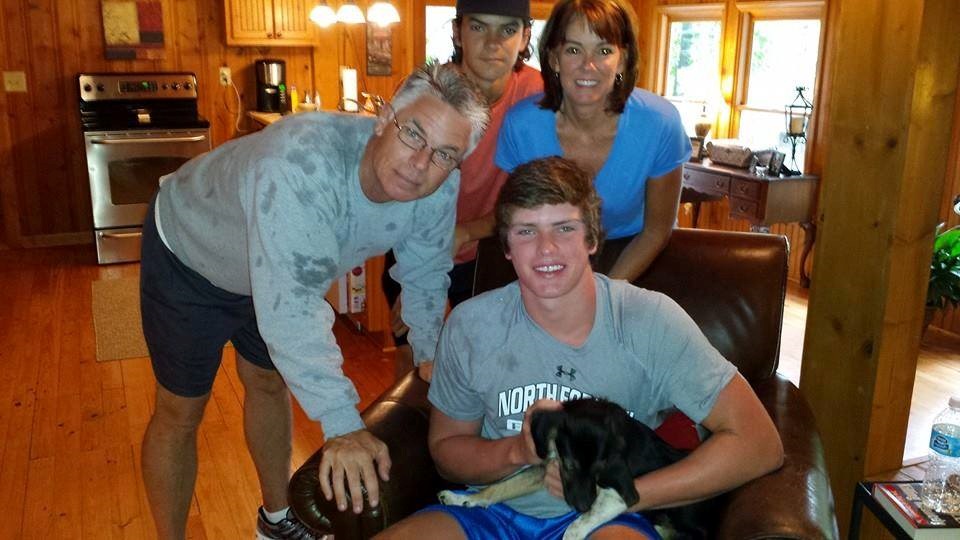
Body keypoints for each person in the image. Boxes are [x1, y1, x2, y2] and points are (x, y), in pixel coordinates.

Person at [139, 62, 488, 540]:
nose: (421, 164)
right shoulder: (302, 162)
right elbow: (294, 309)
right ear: (383, 118)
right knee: (182, 409)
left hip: (277, 269)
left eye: (445, 154)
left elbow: (426, 274)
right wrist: (342, 425)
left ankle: (276, 520)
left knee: (268, 383)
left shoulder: (438, 188)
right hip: (191, 251)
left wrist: (430, 354)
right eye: (413, 134)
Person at [375, 157, 784, 539]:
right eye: (526, 231)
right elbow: (447, 453)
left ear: (592, 238)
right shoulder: (470, 326)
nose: (546, 247)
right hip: (492, 511)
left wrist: (621, 496)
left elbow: (759, 443)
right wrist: (518, 451)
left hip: (613, 520)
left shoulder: (649, 320)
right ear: (506, 246)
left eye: (564, 228)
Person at [382, 0, 543, 381]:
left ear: (525, 38)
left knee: (487, 368)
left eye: (507, 29)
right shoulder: (424, 91)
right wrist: (421, 278)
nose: (493, 42)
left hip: (491, 252)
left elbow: (536, 197)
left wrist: (467, 232)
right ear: (457, 33)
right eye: (478, 27)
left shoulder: (539, 97)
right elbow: (399, 187)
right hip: (417, 245)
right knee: (414, 363)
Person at [496, 0, 691, 282]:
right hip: (550, 254)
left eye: (604, 51)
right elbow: (518, 219)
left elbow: (656, 230)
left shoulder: (660, 123)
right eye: (574, 50)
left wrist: (606, 293)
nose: (588, 66)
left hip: (639, 257)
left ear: (622, 59)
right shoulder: (521, 125)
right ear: (554, 58)